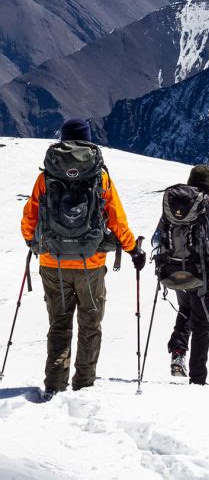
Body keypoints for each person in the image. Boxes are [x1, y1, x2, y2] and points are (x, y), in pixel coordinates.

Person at [21, 118, 146, 399]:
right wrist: (133, 250)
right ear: (89, 141)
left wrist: (33, 242)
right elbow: (117, 221)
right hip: (91, 263)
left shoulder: (46, 177)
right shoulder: (100, 177)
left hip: (53, 264)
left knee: (59, 325)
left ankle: (54, 385)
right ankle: (84, 385)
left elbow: (30, 217)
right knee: (90, 325)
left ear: (63, 139)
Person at [153, 164, 209, 385]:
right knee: (201, 323)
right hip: (203, 276)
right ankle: (197, 378)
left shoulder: (173, 204)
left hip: (174, 271)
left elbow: (158, 236)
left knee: (185, 309)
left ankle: (178, 354)